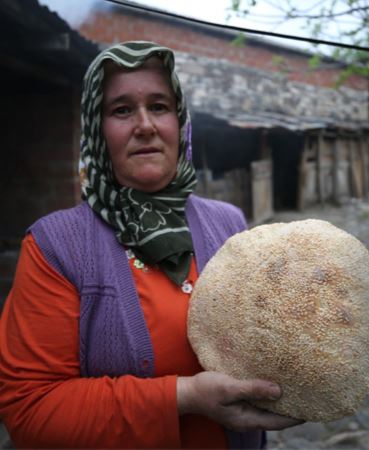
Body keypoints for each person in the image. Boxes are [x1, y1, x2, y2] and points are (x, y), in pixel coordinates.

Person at [0, 41, 302, 448]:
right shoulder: (57, 246)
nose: (145, 125)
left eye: (159, 106)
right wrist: (185, 397)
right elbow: (31, 411)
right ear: (95, 127)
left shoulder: (227, 223)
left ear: (179, 121)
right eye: (121, 110)